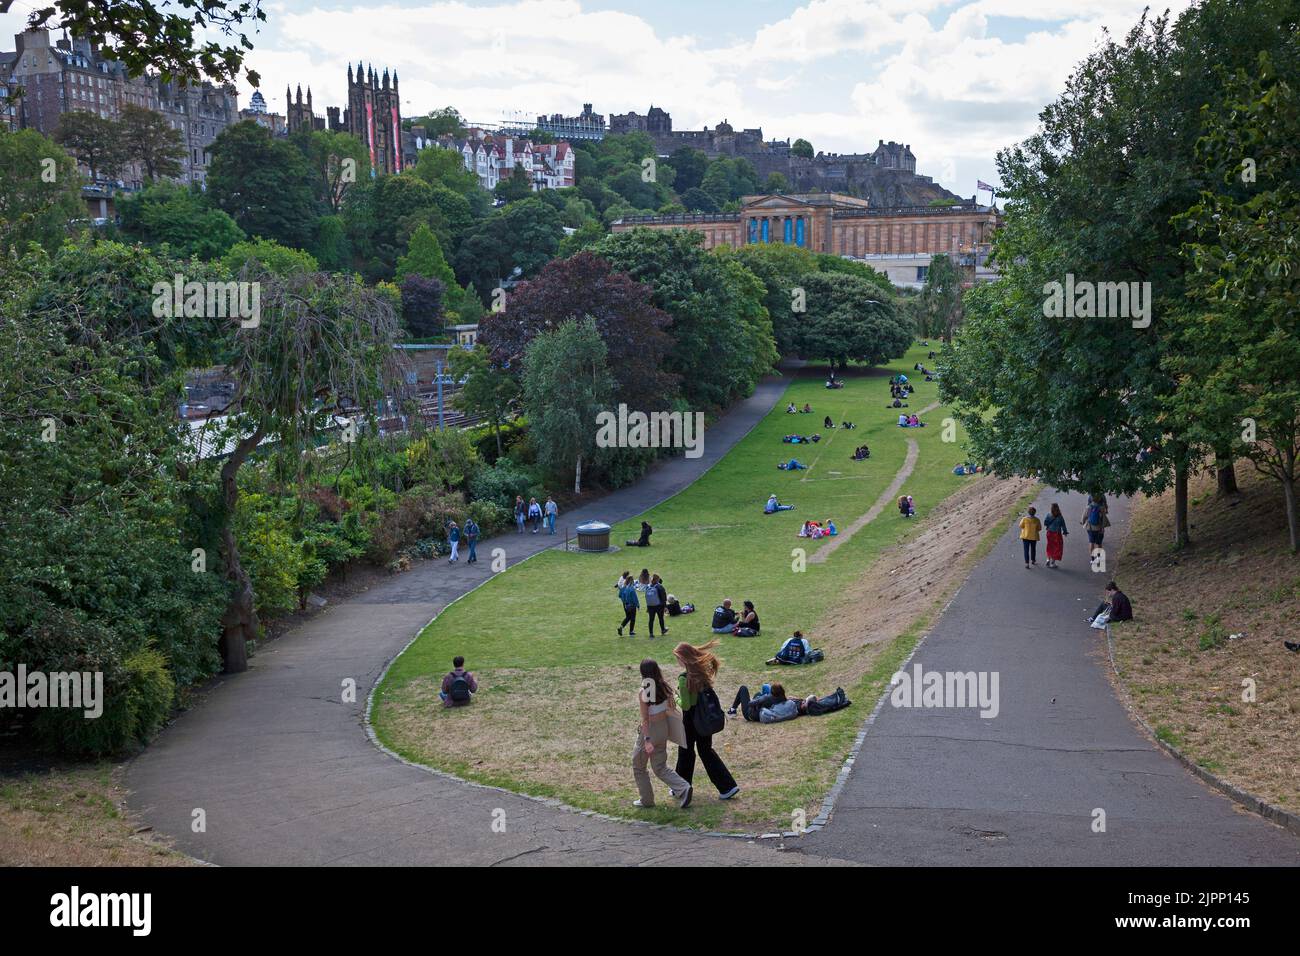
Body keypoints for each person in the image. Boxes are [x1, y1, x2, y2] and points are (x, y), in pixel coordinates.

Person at [672, 641, 739, 800]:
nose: (677, 661)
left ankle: (680, 787)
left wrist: (676, 697)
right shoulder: (701, 675)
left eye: (677, 658)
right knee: (706, 751)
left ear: (684, 659)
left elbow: (687, 705)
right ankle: (728, 786)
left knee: (685, 753)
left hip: (690, 721)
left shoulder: (684, 679)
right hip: (703, 720)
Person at [631, 659, 692, 809]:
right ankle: (683, 787)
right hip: (663, 729)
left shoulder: (644, 691)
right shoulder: (665, 687)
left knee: (638, 766)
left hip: (651, 731)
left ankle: (647, 800)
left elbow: (645, 719)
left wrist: (646, 740)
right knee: (660, 767)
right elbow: (671, 707)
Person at [729, 683, 801, 723]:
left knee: (743, 688)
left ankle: (733, 709)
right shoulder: (783, 698)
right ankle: (733, 709)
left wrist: (761, 698)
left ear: (772, 693)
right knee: (763, 688)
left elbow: (750, 703)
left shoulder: (767, 698)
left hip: (750, 714)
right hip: (764, 707)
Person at [1043, 503, 1068, 568]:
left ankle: (1048, 559)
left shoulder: (1048, 515)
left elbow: (1045, 523)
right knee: (1057, 548)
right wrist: (1065, 532)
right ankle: (1052, 562)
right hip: (1057, 534)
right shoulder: (1060, 517)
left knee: (1049, 546)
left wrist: (1049, 525)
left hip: (1049, 533)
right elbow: (1063, 525)